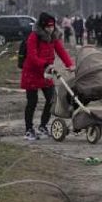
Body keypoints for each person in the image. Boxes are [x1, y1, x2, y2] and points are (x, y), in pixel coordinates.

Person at [20, 12, 75, 140]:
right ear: (43, 26)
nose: (51, 29)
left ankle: (43, 126)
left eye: (52, 26)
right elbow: (32, 57)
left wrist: (70, 64)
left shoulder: (53, 37)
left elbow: (61, 51)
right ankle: (28, 129)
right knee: (32, 102)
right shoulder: (34, 37)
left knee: (51, 100)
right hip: (32, 72)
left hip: (46, 73)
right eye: (48, 26)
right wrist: (45, 64)